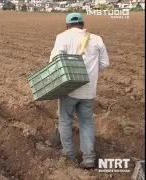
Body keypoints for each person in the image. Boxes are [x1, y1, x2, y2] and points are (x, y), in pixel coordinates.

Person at [49, 13, 110, 169]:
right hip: (89, 91)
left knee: (65, 120)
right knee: (86, 122)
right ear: (83, 24)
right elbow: (104, 64)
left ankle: (68, 155)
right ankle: (89, 158)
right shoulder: (96, 39)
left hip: (69, 90)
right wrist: (91, 72)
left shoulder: (62, 37)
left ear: (67, 25)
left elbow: (54, 62)